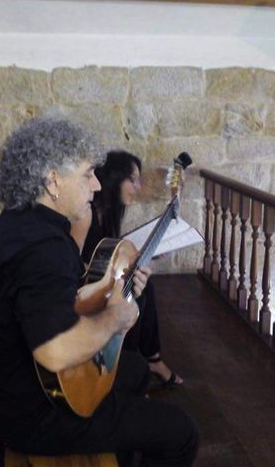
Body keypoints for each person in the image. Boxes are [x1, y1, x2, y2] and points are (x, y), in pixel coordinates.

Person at [0, 117, 198, 466]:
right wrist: (115, 316)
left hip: (12, 384)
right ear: (53, 181)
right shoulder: (43, 248)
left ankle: (119, 448)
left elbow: (52, 300)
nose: (95, 185)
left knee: (135, 369)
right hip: (32, 412)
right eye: (88, 174)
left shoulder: (21, 222)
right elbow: (57, 352)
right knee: (181, 432)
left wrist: (113, 288)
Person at [71, 151, 183, 387]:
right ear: (114, 178)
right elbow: (74, 262)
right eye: (133, 179)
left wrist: (139, 256)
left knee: (144, 288)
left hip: (97, 283)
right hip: (82, 292)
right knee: (133, 297)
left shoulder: (108, 213)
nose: (138, 186)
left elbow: (106, 253)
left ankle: (151, 360)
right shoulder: (87, 213)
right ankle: (123, 366)